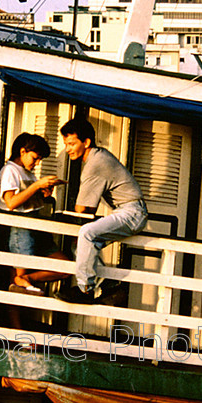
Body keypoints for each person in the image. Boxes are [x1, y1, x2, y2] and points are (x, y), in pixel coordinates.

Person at [54, 117, 147, 305]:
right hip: (124, 210)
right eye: (66, 144)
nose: (67, 149)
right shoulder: (96, 156)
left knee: (87, 233)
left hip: (132, 213)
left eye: (71, 144)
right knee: (79, 243)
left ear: (86, 142)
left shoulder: (95, 162)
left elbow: (83, 209)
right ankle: (109, 286)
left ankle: (85, 290)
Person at [0, 132, 71, 295]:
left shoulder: (27, 171)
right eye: (35, 158)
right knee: (17, 282)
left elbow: (28, 200)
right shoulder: (10, 170)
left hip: (36, 227)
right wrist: (36, 185)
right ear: (22, 152)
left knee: (66, 267)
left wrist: (43, 193)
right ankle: (16, 319)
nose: (37, 163)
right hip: (20, 228)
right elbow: (11, 203)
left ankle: (27, 280)